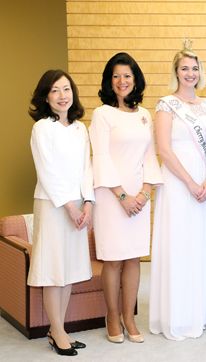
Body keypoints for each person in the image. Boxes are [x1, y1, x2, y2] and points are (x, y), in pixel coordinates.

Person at [89, 52, 162, 344]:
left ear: (136, 80)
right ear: (110, 80)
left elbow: (150, 156)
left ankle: (130, 316)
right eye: (116, 76)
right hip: (111, 196)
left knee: (134, 258)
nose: (122, 81)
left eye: (127, 76)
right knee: (114, 260)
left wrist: (144, 192)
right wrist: (122, 196)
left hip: (140, 198)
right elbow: (101, 157)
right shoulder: (102, 114)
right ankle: (112, 315)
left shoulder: (144, 115)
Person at [149, 44, 206, 340]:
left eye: (194, 68)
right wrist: (190, 183)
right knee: (177, 247)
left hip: (203, 188)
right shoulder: (166, 105)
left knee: (198, 248)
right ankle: (174, 317)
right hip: (178, 186)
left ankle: (195, 315)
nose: (190, 73)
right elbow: (163, 149)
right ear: (176, 72)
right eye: (184, 68)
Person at [27, 69, 94, 356]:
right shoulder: (42, 128)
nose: (62, 95)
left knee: (69, 270)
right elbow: (47, 171)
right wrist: (69, 206)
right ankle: (56, 330)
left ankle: (59, 329)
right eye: (55, 90)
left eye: (66, 89)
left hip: (78, 208)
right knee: (54, 269)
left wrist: (87, 203)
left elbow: (86, 169)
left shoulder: (80, 128)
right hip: (55, 207)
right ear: (46, 96)